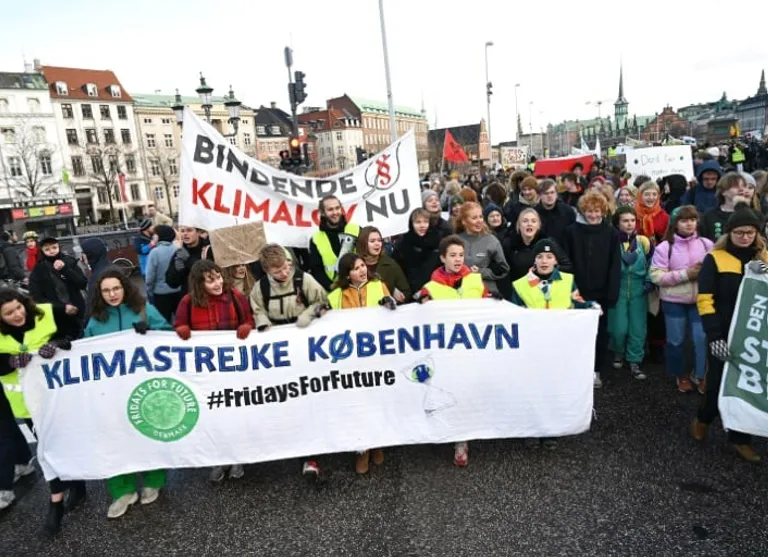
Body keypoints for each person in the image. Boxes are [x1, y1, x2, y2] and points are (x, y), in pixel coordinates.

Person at [83, 269, 171, 518]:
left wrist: (152, 331)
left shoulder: (144, 310)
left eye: (116, 288)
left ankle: (153, 480)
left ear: (125, 288)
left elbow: (169, 336)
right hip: (110, 393)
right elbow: (84, 352)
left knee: (149, 432)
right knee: (114, 438)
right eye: (106, 290)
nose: (112, 294)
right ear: (100, 294)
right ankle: (123, 490)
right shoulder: (96, 320)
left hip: (144, 388)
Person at [0, 288, 84, 533]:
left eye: (19, 307)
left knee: (64, 444)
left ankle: (71, 490)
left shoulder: (45, 313)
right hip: (26, 404)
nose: (18, 315)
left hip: (56, 395)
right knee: (46, 450)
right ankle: (59, 495)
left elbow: (75, 330)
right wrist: (9, 362)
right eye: (9, 313)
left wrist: (58, 343)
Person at [693, 203, 768, 462]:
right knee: (716, 384)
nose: (745, 237)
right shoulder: (715, 259)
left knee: (747, 387)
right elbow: (705, 299)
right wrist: (714, 336)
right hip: (723, 333)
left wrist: (762, 271)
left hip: (753, 334)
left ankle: (740, 439)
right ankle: (703, 419)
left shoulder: (764, 258)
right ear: (730, 233)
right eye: (739, 232)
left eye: (750, 232)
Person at [416, 235, 495, 467]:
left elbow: (485, 304)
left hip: (470, 347)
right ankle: (447, 433)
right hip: (445, 351)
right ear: (443, 258)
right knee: (448, 392)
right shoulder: (432, 287)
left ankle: (462, 441)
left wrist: (493, 301)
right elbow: (419, 311)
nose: (458, 259)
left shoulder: (474, 280)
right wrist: (420, 301)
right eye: (452, 255)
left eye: (461, 255)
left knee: (467, 392)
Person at [175, 260, 254, 480]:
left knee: (234, 414)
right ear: (199, 284)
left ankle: (237, 458)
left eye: (218, 277)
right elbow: (179, 323)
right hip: (206, 373)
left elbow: (249, 318)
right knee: (212, 416)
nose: (217, 283)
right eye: (210, 281)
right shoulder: (188, 302)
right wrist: (182, 328)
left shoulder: (235, 295)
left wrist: (247, 326)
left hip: (233, 368)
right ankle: (218, 459)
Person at [325, 252, 396, 474]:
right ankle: (362, 449)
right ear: (347, 274)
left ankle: (378, 443)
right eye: (356, 268)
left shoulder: (379, 286)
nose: (362, 270)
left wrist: (390, 304)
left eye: (363, 266)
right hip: (352, 360)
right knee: (358, 406)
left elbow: (393, 317)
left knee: (378, 403)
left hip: (377, 356)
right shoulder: (336, 296)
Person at [650, 206, 713, 393]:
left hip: (700, 300)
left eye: (692, 220)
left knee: (700, 339)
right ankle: (680, 374)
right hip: (674, 301)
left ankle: (699, 374)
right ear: (675, 224)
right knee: (676, 341)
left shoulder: (706, 244)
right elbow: (656, 276)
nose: (689, 224)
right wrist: (686, 274)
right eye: (684, 220)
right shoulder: (665, 247)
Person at [563, 191, 621, 388]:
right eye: (589, 211)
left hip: (602, 292)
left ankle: (596, 369)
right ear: (583, 211)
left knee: (600, 333)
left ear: (603, 211)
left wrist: (612, 293)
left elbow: (615, 265)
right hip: (577, 292)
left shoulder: (611, 233)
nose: (593, 215)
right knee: (576, 332)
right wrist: (570, 288)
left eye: (597, 211)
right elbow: (567, 262)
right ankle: (577, 369)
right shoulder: (571, 232)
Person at [607, 207, 653, 380]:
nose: (629, 224)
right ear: (617, 223)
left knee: (638, 328)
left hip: (638, 289)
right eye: (625, 221)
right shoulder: (612, 242)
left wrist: (649, 280)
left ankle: (635, 360)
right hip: (618, 288)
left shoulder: (643, 242)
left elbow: (653, 263)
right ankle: (618, 351)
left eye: (632, 220)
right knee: (618, 328)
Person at [250, 244, 327, 330]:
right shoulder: (260, 287)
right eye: (277, 272)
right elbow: (258, 311)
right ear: (267, 271)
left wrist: (308, 315)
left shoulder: (304, 279)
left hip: (306, 328)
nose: (284, 273)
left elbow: (321, 301)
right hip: (277, 332)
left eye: (285, 267)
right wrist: (263, 323)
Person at [455, 202, 509, 295]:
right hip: (461, 292)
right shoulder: (455, 240)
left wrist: (481, 272)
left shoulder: (491, 240)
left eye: (480, 217)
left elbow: (503, 269)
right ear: (464, 221)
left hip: (486, 292)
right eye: (474, 218)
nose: (479, 220)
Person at [28, 236, 88, 321]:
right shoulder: (39, 268)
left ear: (59, 247)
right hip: (56, 315)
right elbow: (36, 295)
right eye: (47, 249)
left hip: (78, 310)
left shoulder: (69, 261)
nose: (52, 251)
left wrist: (65, 269)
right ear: (42, 251)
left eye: (54, 247)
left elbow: (82, 283)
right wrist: (61, 307)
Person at [308, 195, 360, 292]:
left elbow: (368, 258)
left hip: (360, 287)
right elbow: (316, 270)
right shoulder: (316, 239)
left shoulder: (356, 229)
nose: (335, 212)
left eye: (337, 208)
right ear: (323, 213)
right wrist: (332, 287)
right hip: (334, 291)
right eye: (330, 209)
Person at [392, 208, 442, 295]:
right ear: (412, 224)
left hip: (433, 291)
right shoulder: (403, 244)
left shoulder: (438, 241)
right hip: (409, 292)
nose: (422, 225)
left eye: (425, 222)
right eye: (418, 222)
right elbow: (396, 269)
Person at [356, 226, 411, 304]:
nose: (377, 244)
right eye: (372, 241)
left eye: (379, 240)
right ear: (363, 243)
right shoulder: (354, 264)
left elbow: (406, 292)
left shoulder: (390, 264)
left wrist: (394, 296)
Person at [145, 225, 182, 324]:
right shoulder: (178, 250)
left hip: (160, 293)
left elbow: (150, 277)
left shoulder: (154, 253)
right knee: (181, 320)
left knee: (163, 322)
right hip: (178, 291)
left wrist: (149, 291)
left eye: (154, 234)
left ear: (158, 236)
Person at [698, 172, 747, 243]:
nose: (741, 189)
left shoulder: (752, 214)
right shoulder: (709, 216)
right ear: (723, 191)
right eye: (735, 186)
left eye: (743, 186)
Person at [165, 226, 213, 297]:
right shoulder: (180, 251)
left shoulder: (209, 250)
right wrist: (179, 266)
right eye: (182, 231)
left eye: (189, 230)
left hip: (207, 296)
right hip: (187, 298)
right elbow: (172, 282)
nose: (185, 234)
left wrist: (188, 259)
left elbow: (210, 275)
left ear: (198, 232)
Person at [536, 179, 576, 248]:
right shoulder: (534, 213)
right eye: (546, 193)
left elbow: (573, 235)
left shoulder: (567, 211)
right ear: (540, 195)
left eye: (552, 192)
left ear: (556, 194)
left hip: (563, 250)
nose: (549, 196)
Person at [81, 238, 111, 314]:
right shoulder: (110, 267)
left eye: (84, 254)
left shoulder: (97, 277)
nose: (82, 258)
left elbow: (91, 305)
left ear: (91, 254)